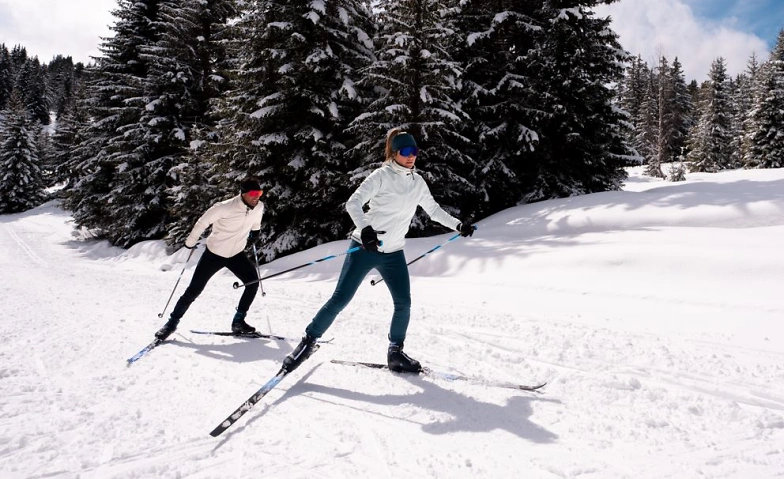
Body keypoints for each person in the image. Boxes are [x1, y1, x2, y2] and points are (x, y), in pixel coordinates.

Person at [282, 129, 475, 373]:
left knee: (403, 303)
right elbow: (352, 202)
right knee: (340, 299)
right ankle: (306, 344)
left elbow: (434, 210)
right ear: (394, 153)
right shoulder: (381, 176)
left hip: (394, 252)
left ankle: (396, 353)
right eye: (405, 152)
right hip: (365, 248)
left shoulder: (417, 182)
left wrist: (458, 225)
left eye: (414, 152)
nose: (411, 157)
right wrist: (365, 229)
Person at [154, 177, 266, 340]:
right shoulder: (223, 207)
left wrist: (255, 232)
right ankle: (171, 323)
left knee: (252, 282)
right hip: (214, 254)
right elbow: (202, 222)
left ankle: (238, 322)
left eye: (260, 193)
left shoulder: (258, 207)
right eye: (254, 193)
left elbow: (256, 222)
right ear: (243, 193)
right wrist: (190, 242)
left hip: (236, 254)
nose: (257, 196)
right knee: (194, 290)